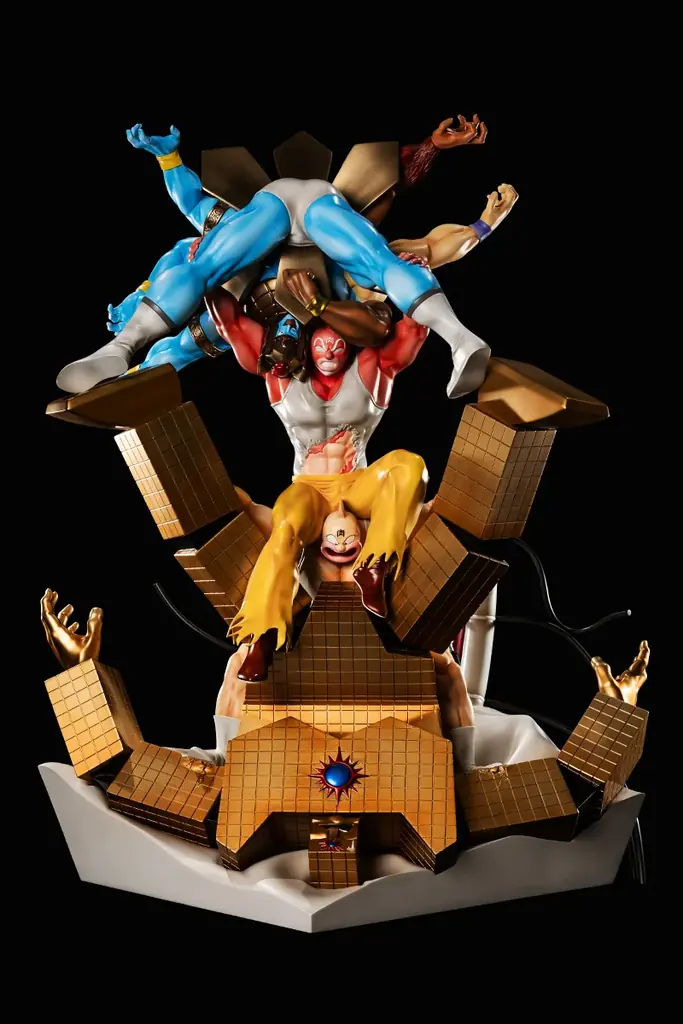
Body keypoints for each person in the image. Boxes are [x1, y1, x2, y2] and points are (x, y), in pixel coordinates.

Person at [56, 117, 494, 399]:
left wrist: (170, 160)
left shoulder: (247, 307)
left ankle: (120, 350)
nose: (287, 330)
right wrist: (480, 221)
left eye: (278, 340)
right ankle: (460, 338)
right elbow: (425, 241)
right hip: (322, 205)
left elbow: (183, 347)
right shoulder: (341, 298)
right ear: (308, 341)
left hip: (277, 206)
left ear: (266, 342)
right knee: (387, 265)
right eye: (293, 340)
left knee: (200, 267)